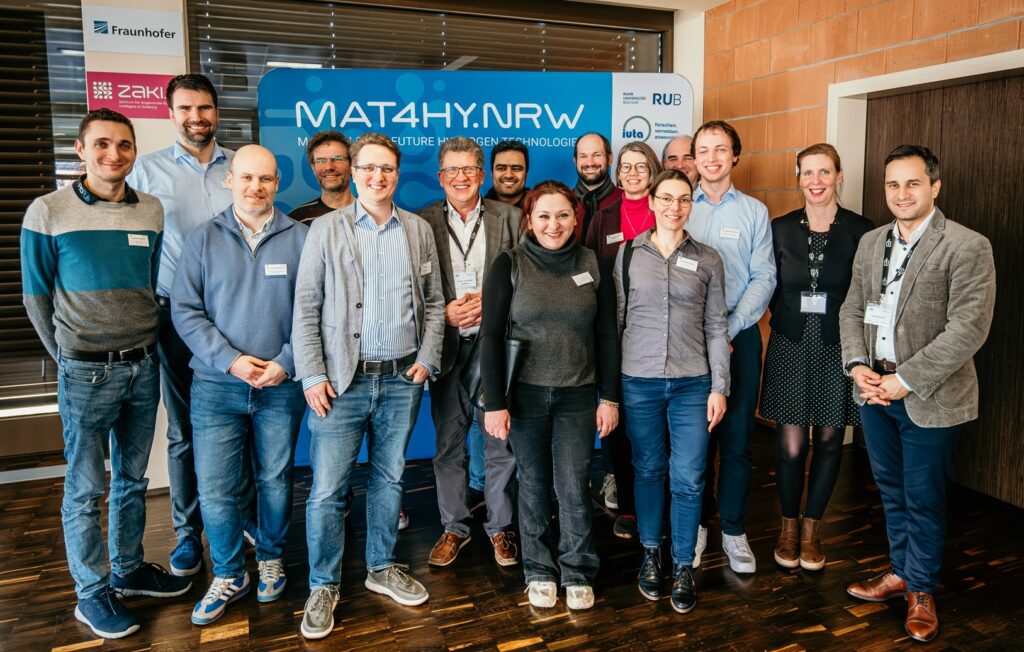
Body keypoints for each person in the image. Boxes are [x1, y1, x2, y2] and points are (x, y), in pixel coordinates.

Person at [21, 108, 190, 639]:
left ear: (134, 150)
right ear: (80, 150)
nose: (113, 154)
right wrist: (72, 352)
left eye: (123, 145)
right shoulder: (47, 211)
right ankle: (90, 593)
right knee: (85, 488)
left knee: (133, 480)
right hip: (85, 374)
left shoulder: (151, 211)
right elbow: (36, 297)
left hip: (143, 366)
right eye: (101, 145)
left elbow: (147, 285)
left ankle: (128, 570)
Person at [839, 145, 995, 643]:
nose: (901, 194)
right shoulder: (871, 243)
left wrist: (902, 379)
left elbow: (968, 329)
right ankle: (900, 571)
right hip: (875, 390)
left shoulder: (967, 245)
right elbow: (851, 309)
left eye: (912, 183)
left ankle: (922, 589)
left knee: (923, 496)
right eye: (892, 185)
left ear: (934, 187)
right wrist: (859, 366)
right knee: (890, 490)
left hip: (928, 395)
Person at [293, 133, 444, 640]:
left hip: (402, 379)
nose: (378, 177)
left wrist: (426, 357)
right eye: (368, 168)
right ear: (353, 173)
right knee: (328, 490)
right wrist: (313, 374)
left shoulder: (419, 230)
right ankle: (323, 585)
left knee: (390, 481)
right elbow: (306, 307)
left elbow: (435, 302)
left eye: (387, 169)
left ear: (397, 174)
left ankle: (381, 567)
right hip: (341, 383)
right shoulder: (326, 229)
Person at [171, 145, 308, 625]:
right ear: (230, 180)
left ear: (276, 184)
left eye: (266, 179)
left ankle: (270, 558)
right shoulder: (202, 239)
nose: (256, 187)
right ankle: (230, 572)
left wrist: (286, 363)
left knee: (275, 481)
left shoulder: (302, 238)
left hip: (280, 386)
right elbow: (184, 310)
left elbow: (315, 311)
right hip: (215, 386)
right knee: (216, 488)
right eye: (247, 177)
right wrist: (230, 361)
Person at [127, 73, 252, 576]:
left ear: (217, 112)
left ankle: (238, 521)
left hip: (240, 315)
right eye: (186, 109)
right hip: (175, 318)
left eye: (205, 108)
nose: (196, 117)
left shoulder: (241, 166)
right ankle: (187, 535)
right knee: (183, 432)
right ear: (170, 112)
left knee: (239, 423)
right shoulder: (145, 173)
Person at [481, 181, 620, 611]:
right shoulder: (509, 264)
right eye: (544, 215)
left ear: (576, 218)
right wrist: (494, 403)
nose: (553, 224)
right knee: (534, 485)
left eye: (563, 215)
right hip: (524, 396)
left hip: (578, 396)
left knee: (574, 486)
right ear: (529, 219)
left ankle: (578, 569)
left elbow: (607, 334)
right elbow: (489, 335)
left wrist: (609, 397)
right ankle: (539, 569)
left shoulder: (593, 264)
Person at [615, 169, 729, 614]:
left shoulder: (709, 259)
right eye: (666, 198)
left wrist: (719, 386)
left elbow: (717, 326)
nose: (674, 207)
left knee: (689, 476)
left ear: (691, 205)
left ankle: (683, 564)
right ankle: (649, 554)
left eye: (683, 199)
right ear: (653, 200)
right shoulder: (627, 255)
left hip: (691, 384)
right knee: (647, 470)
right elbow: (618, 322)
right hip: (639, 381)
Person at [759, 143, 872, 571]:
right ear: (798, 176)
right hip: (790, 341)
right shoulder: (781, 228)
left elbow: (865, 294)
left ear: (839, 176)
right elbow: (769, 286)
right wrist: (787, 316)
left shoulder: (863, 231)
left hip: (839, 345)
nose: (816, 181)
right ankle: (788, 527)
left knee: (828, 440)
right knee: (790, 445)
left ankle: (812, 530)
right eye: (808, 173)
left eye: (824, 172)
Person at [419, 137, 520, 568]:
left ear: (482, 175)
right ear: (441, 177)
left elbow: (528, 280)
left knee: (499, 444)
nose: (460, 178)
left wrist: (493, 303)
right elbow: (412, 289)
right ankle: (454, 527)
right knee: (448, 445)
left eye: (469, 170)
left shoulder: (511, 218)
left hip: (493, 347)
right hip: (445, 346)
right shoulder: (420, 222)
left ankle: (500, 529)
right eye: (451, 171)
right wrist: (443, 313)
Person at [687, 120, 776, 574]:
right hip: (687, 338)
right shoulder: (681, 206)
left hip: (738, 335)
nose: (712, 157)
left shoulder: (755, 212)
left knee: (738, 439)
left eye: (721, 149)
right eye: (704, 149)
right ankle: (698, 525)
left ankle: (735, 530)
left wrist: (734, 325)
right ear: (694, 156)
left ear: (734, 155)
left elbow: (765, 276)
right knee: (694, 440)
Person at [584, 140, 663, 540]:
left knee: (651, 423)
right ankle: (625, 498)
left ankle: (653, 499)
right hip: (613, 331)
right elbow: (589, 268)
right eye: (626, 167)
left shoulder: (665, 208)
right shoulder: (604, 215)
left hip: (658, 332)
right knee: (615, 414)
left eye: (640, 167)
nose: (632, 174)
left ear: (653, 170)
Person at [289, 130, 354, 224]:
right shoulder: (297, 219)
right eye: (321, 160)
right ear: (313, 168)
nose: (329, 167)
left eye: (337, 159)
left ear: (351, 165)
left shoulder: (373, 212)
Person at [573, 131, 621, 240]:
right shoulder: (564, 201)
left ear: (610, 159)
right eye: (583, 156)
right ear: (575, 161)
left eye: (597, 155)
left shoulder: (625, 200)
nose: (590, 163)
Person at [484, 140, 529, 209]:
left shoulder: (540, 207)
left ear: (526, 174)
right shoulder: (478, 210)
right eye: (501, 168)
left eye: (516, 169)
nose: (509, 175)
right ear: (492, 173)